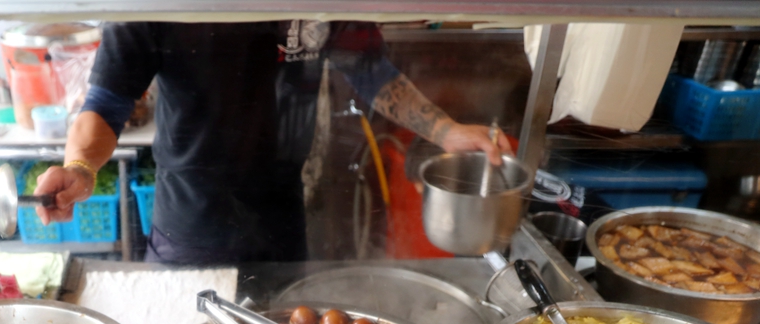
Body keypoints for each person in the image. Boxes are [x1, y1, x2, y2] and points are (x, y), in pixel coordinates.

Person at [35, 21, 511, 264]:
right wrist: (79, 167)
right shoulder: (161, 7)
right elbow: (107, 102)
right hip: (193, 219)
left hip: (282, 215)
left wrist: (446, 131)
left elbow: (370, 69)